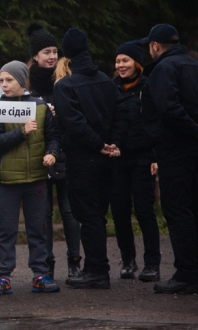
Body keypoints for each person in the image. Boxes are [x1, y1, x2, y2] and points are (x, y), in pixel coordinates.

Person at [53, 29, 125, 289]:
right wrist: (112, 143)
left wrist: (98, 145)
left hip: (83, 158)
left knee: (87, 214)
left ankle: (96, 269)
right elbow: (120, 114)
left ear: (67, 54)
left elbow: (74, 124)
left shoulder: (65, 86)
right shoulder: (106, 80)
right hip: (108, 159)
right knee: (99, 213)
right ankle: (97, 266)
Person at [0, 61, 60, 295]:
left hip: (36, 179)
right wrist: (21, 131)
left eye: (9, 80)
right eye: (1, 80)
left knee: (38, 229)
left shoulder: (41, 106)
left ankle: (40, 274)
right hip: (7, 181)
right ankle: (3, 277)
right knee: (6, 231)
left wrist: (52, 154)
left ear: (22, 80)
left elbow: (53, 136)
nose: (4, 85)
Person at [140, 24, 198, 294]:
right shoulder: (192, 64)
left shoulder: (164, 69)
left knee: (177, 210)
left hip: (175, 150)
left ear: (155, 46)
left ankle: (186, 272)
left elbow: (170, 109)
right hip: (190, 149)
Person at [26, 23, 82, 279]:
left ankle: (74, 261)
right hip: (41, 158)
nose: (51, 56)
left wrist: (62, 116)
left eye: (54, 51)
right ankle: (46, 264)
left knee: (70, 213)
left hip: (68, 156)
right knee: (43, 214)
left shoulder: (67, 82)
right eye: (46, 51)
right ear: (35, 56)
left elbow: (80, 119)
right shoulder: (27, 89)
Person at [110, 41, 161, 281]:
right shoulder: (111, 88)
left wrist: (155, 156)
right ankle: (128, 260)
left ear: (136, 63)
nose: (120, 65)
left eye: (125, 60)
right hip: (118, 159)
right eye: (118, 61)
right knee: (120, 212)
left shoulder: (148, 87)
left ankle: (152, 263)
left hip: (143, 158)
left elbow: (157, 123)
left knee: (144, 211)